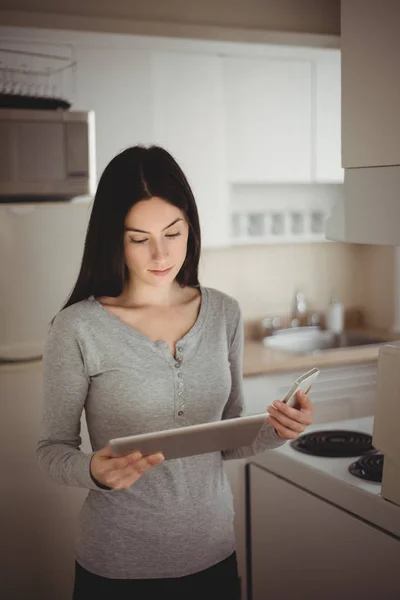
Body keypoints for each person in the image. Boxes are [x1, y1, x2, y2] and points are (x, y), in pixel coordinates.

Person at [37, 145, 315, 600]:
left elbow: (226, 439)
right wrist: (93, 470)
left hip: (214, 555)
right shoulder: (77, 328)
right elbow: (51, 450)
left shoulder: (224, 312)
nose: (161, 253)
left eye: (173, 232)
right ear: (114, 238)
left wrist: (279, 429)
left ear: (191, 227)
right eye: (139, 238)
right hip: (117, 567)